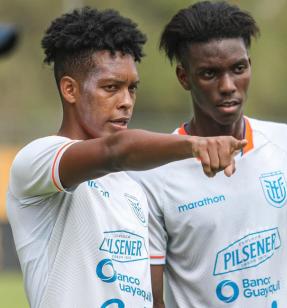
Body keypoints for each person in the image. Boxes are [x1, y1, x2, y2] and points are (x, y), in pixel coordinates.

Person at [6, 7, 246, 308]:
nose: (127, 102)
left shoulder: (131, 188)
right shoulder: (38, 160)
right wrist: (193, 145)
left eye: (132, 88)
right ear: (70, 89)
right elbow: (116, 151)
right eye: (111, 88)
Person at [130, 1, 287, 307]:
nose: (228, 86)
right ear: (184, 77)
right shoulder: (152, 174)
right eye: (209, 73)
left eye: (238, 68)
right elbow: (152, 298)